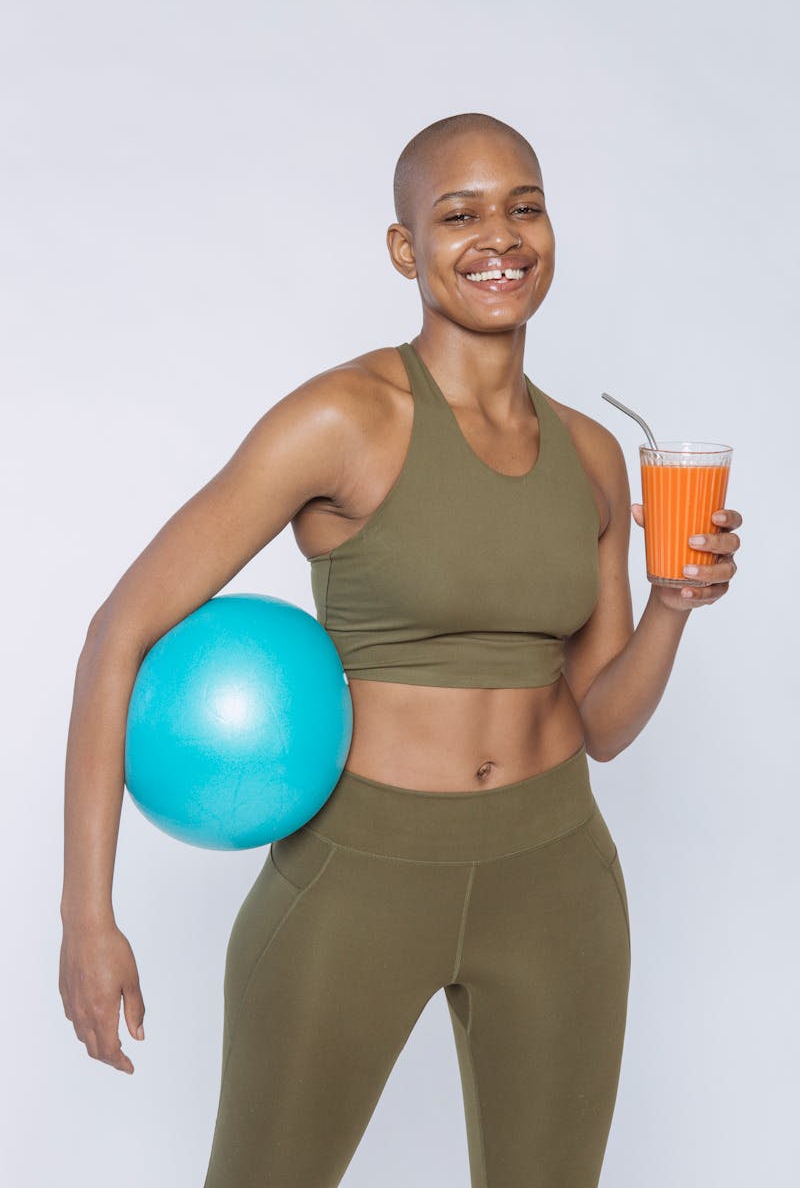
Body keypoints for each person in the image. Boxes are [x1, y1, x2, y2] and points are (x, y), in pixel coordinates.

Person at [59, 112, 742, 1187]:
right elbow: (118, 633)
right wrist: (86, 918)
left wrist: (671, 603)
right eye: (457, 213)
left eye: (523, 205)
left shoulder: (594, 455)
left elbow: (602, 725)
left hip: (556, 876)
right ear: (403, 249)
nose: (498, 236)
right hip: (358, 876)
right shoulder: (343, 419)